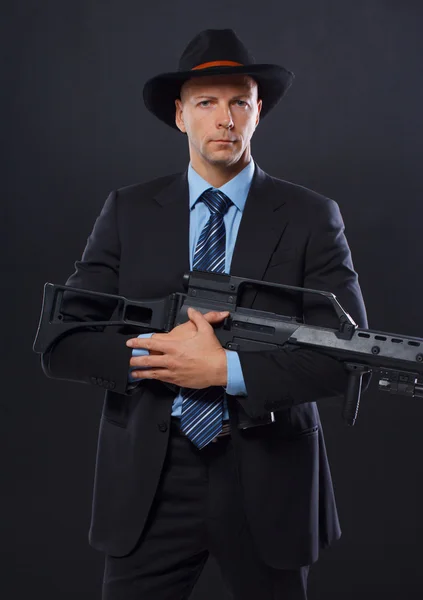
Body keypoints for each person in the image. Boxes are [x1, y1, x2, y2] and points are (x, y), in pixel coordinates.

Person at [39, 28, 369, 600]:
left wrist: (225, 371)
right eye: (206, 103)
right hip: (150, 482)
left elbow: (347, 355)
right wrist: (160, 356)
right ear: (179, 115)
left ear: (258, 111)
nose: (225, 119)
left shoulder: (313, 217)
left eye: (239, 101)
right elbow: (63, 339)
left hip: (268, 480)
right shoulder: (128, 211)